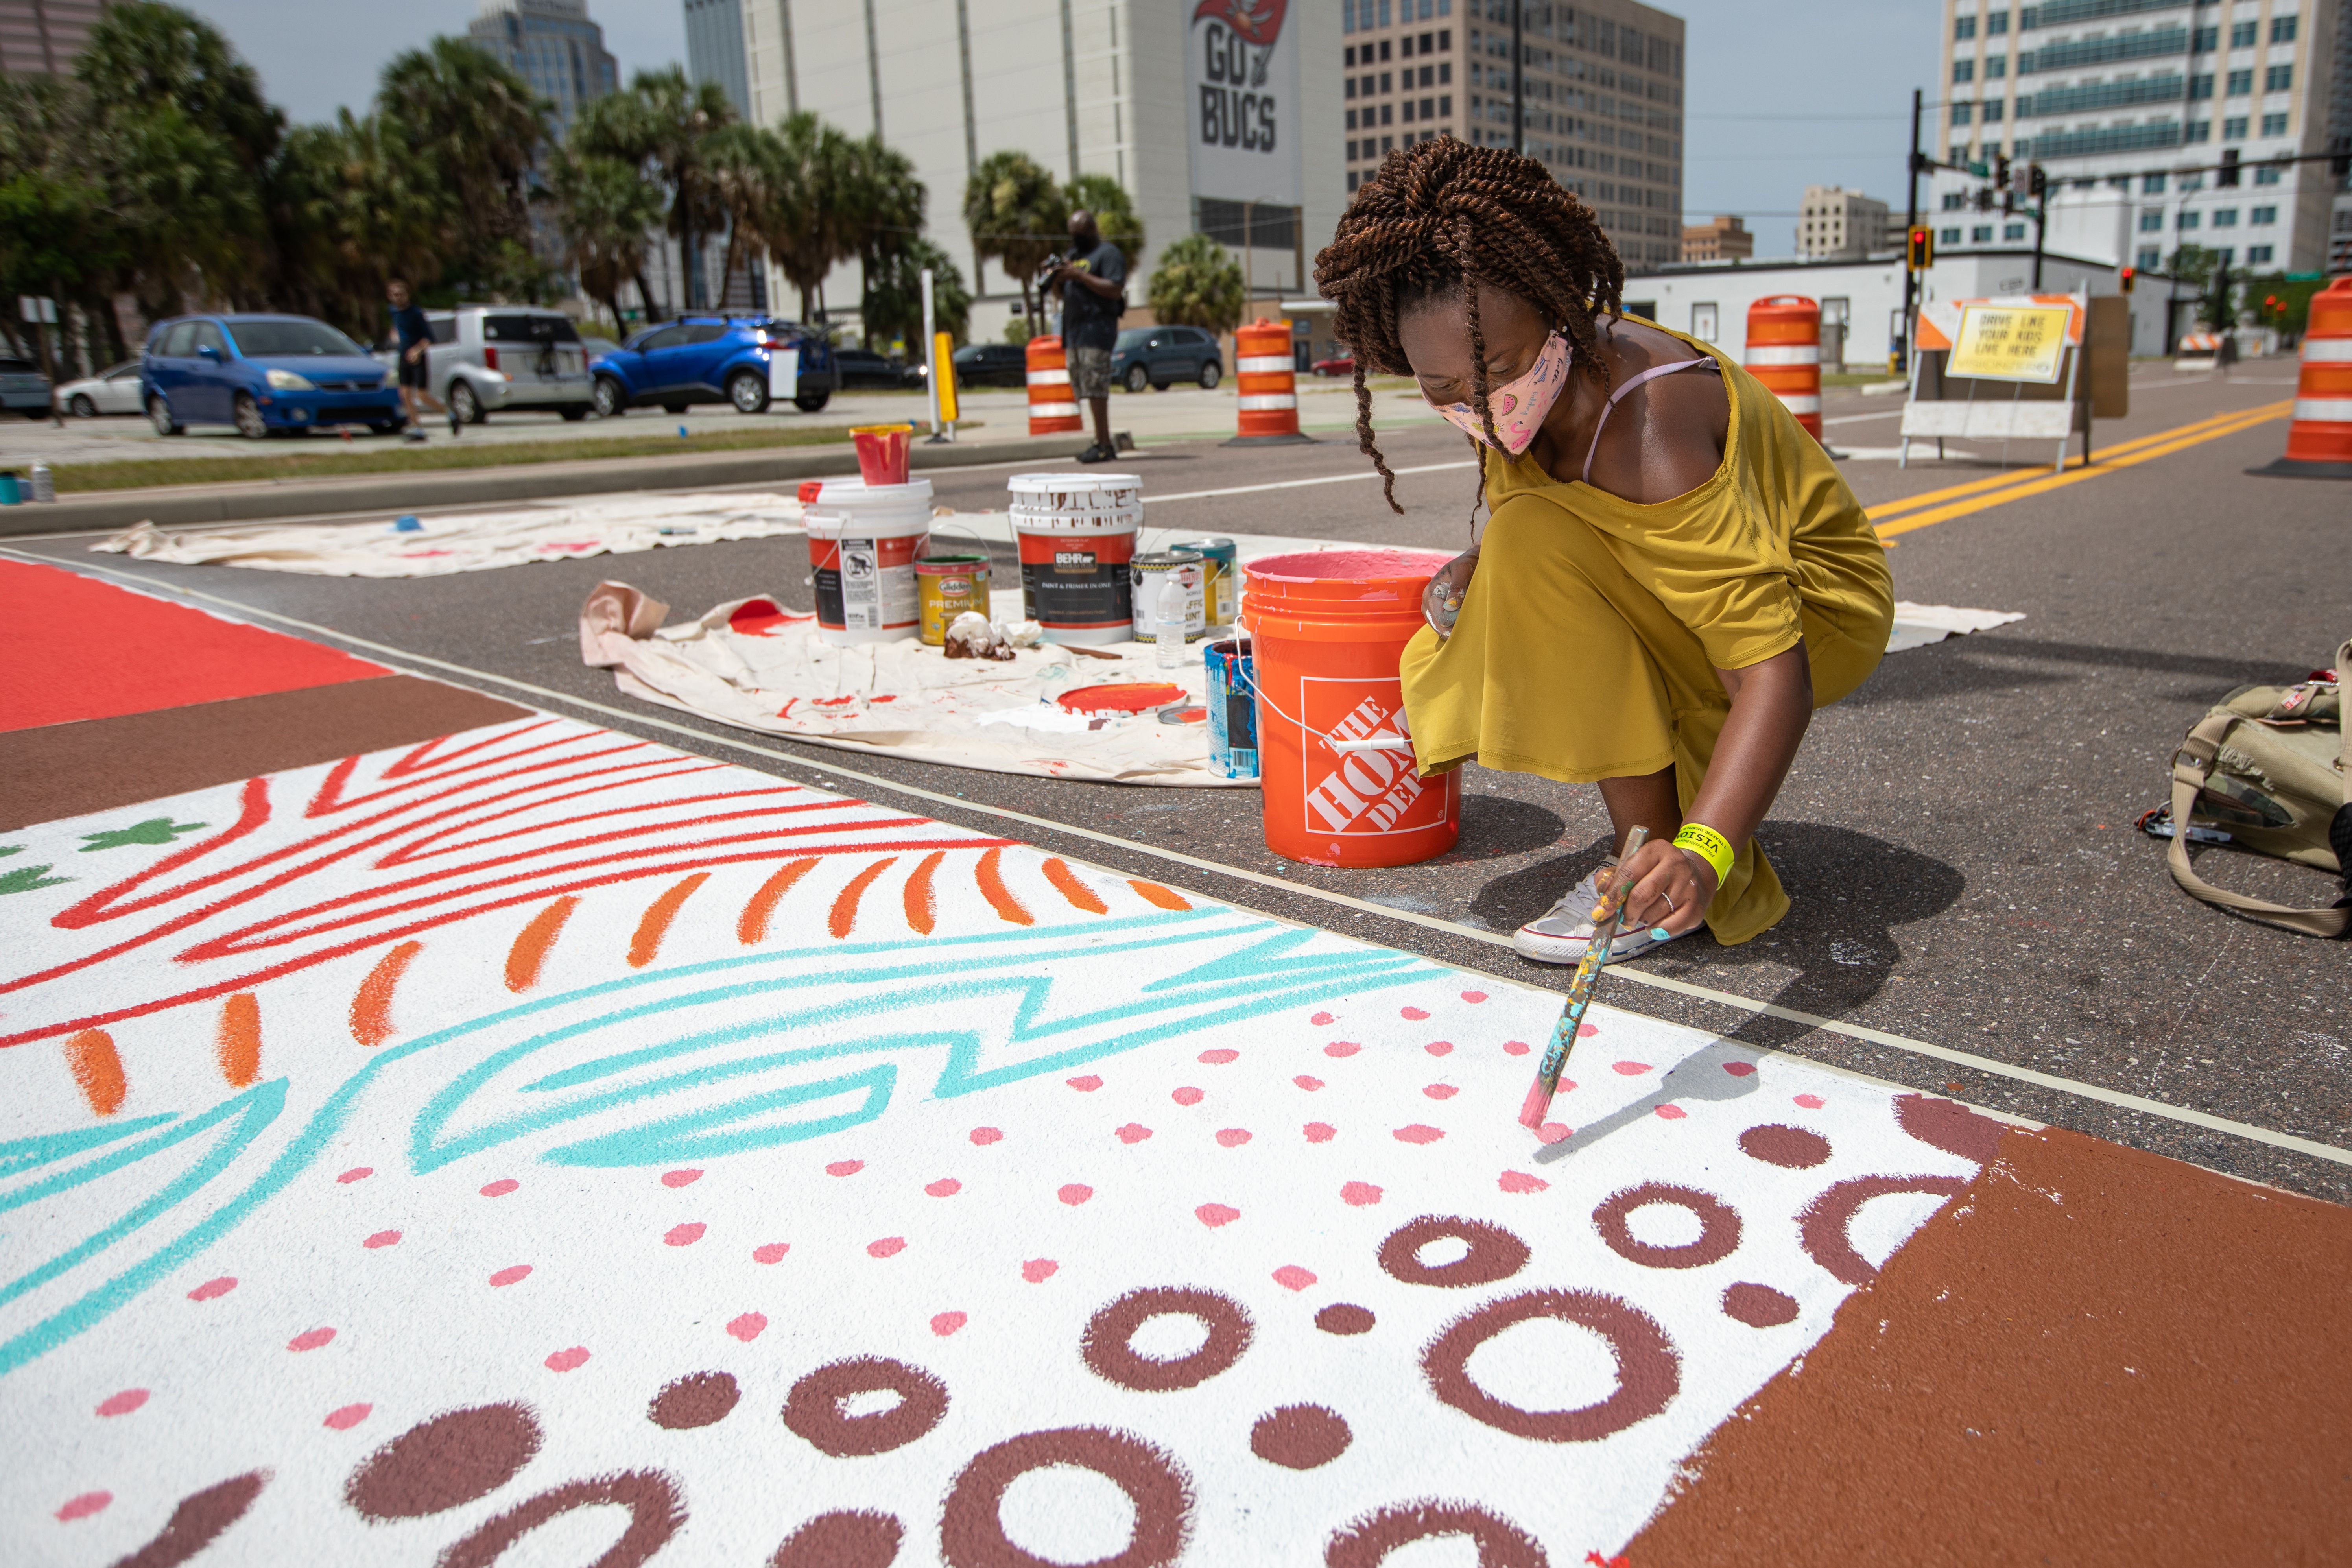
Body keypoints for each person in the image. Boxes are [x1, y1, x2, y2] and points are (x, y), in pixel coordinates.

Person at [1313, 139, 1894, 961]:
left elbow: (1770, 671)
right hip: (1723, 593)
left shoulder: (1651, 431)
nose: (1479, 404)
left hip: (1821, 613)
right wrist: (1478, 573)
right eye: (1442, 387)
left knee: (1553, 569)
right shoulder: (1515, 390)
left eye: (1498, 367)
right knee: (1522, 545)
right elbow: (1548, 522)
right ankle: (1641, 854)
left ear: (1559, 313)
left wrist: (1708, 850)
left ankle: (1659, 869)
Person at [1042, 208, 1126, 463]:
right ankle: (1099, 441)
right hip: (1074, 332)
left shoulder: (1107, 254)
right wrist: (1056, 276)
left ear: (1091, 230)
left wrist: (1079, 275)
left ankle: (1104, 444)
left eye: (1080, 234)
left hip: (1097, 330)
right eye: (1072, 235)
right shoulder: (1073, 255)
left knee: (1097, 388)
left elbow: (1114, 288)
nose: (1076, 239)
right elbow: (1060, 295)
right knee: (1086, 389)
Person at [385, 277, 454, 443]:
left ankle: (450, 414)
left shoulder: (416, 313)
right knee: (405, 394)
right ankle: (418, 429)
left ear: (407, 295)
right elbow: (397, 326)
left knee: (422, 395)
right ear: (390, 297)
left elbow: (429, 338)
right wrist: (394, 335)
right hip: (403, 356)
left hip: (419, 358)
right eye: (395, 295)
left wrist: (417, 351)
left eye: (401, 294)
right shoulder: (393, 311)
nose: (398, 298)